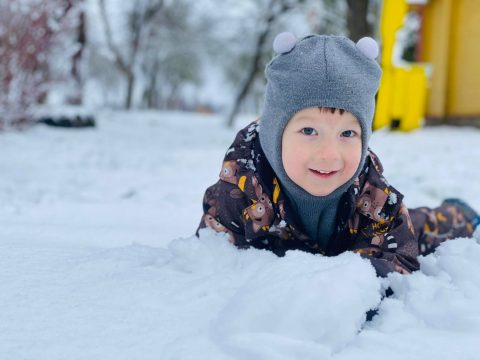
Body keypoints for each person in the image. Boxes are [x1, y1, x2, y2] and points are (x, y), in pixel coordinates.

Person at [196, 33, 480, 277]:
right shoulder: (240, 186)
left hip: (359, 238)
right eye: (309, 130)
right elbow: (212, 253)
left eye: (347, 134)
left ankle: (460, 214)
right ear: (274, 134)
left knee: (419, 226)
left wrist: (351, 283)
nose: (330, 154)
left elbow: (400, 261)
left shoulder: (372, 192)